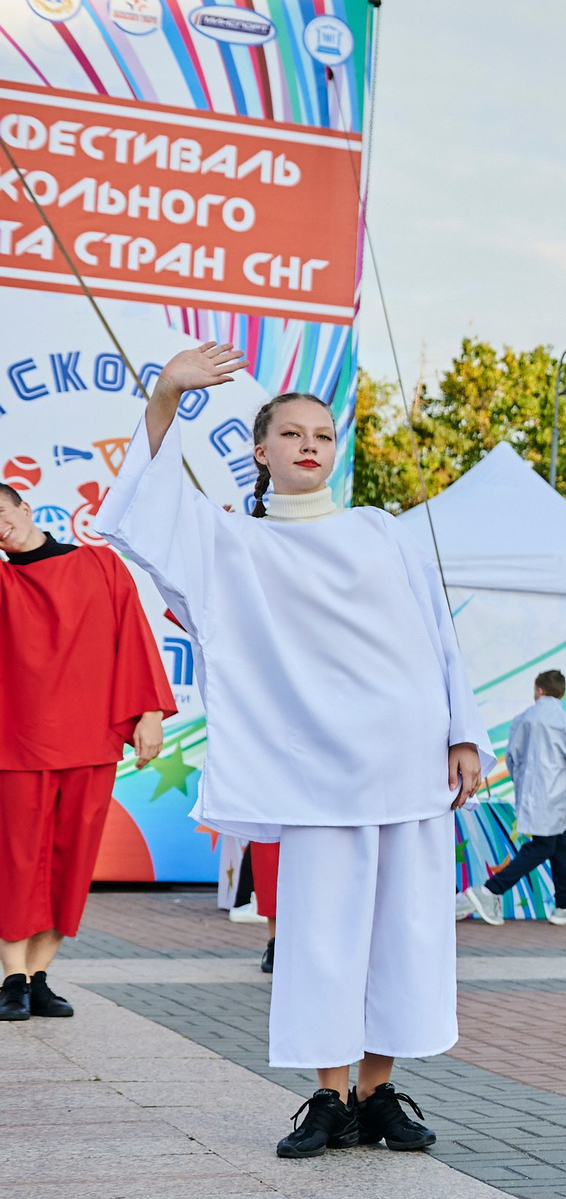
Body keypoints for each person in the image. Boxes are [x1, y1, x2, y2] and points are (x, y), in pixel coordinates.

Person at [100, 344, 490, 1156]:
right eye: (293, 433)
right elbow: (147, 503)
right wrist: (168, 391)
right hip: (318, 775)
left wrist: (463, 734)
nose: (311, 443)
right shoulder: (232, 544)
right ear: (261, 449)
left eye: (323, 433)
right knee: (320, 936)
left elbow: (439, 638)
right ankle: (327, 1097)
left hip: (411, 764)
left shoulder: (382, 531)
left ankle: (378, 1094)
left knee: (404, 932)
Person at [0, 478, 176, 1021]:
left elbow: (136, 639)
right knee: (16, 861)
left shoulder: (101, 566)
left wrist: (148, 714)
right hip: (16, 740)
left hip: (89, 738)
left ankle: (37, 976)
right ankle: (11, 976)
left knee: (73, 861)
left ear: (25, 508)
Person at [466, 670, 566, 927]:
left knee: (559, 845)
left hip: (530, 796)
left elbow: (511, 758)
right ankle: (490, 890)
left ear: (539, 691)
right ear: (561, 692)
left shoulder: (522, 720)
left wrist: (523, 785)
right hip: (555, 799)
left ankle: (564, 905)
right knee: (543, 847)